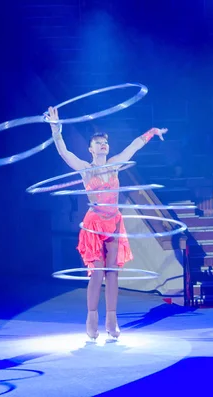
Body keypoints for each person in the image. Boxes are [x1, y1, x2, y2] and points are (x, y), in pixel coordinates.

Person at [47, 106, 167, 340]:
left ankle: (111, 319)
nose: (103, 145)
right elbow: (64, 153)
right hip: (94, 224)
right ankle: (92, 317)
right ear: (90, 149)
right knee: (97, 273)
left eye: (105, 142)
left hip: (114, 223)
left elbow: (134, 146)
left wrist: (151, 132)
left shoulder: (114, 164)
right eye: (99, 142)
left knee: (113, 273)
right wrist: (56, 128)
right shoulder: (85, 168)